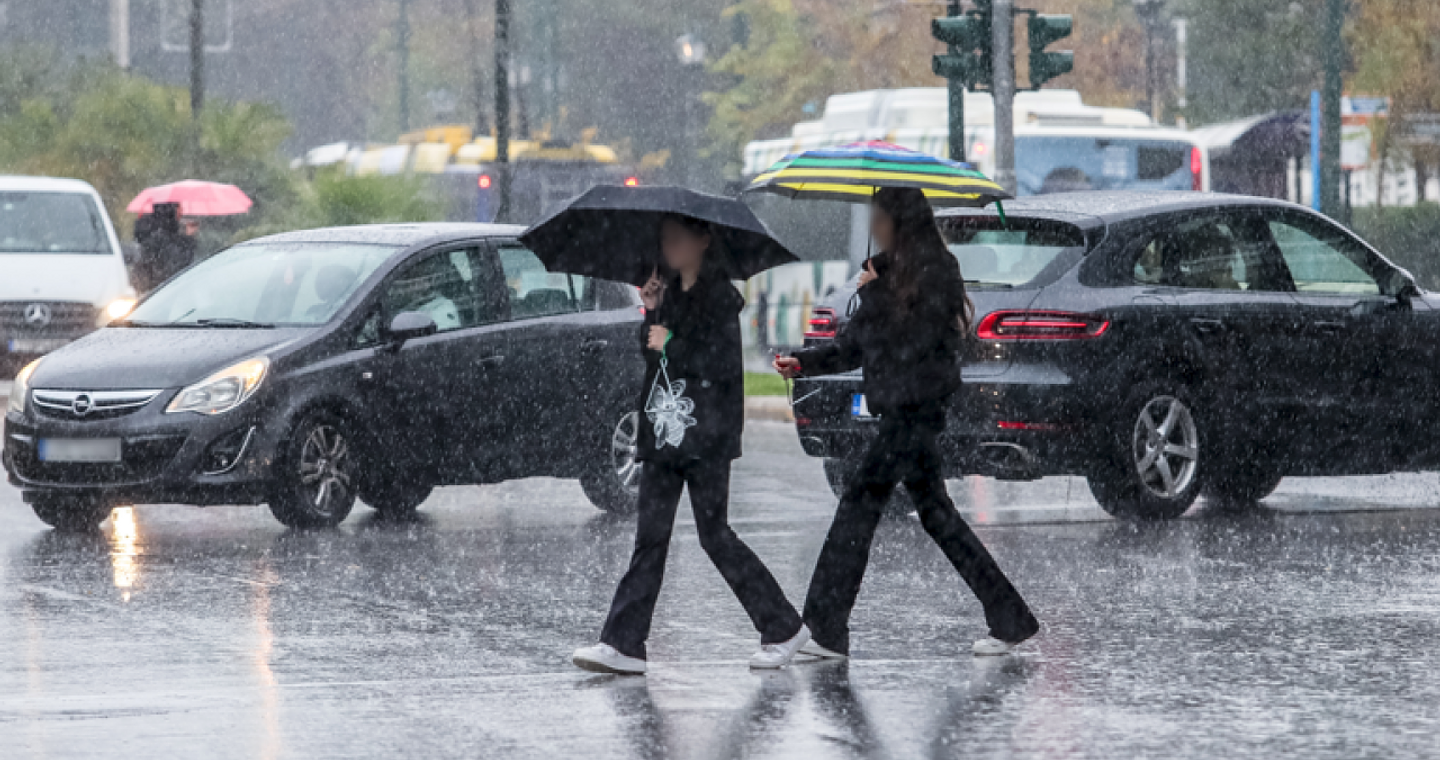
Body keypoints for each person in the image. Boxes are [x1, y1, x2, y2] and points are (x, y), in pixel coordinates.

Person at [774, 187, 1040, 658]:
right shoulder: (888, 271)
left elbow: (915, 343)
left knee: (857, 506)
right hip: (899, 411)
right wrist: (804, 362)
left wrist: (872, 291)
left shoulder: (938, 271)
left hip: (915, 412)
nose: (874, 227)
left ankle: (826, 628)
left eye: (880, 218)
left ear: (902, 221)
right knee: (937, 515)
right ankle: (1009, 616)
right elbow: (856, 346)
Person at [572, 215, 810, 675]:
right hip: (665, 433)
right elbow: (654, 358)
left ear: (704, 241)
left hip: (706, 436)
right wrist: (651, 311)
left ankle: (781, 626)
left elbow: (718, 367)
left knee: (714, 536)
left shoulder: (720, 299)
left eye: (678, 239)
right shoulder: (668, 293)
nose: (669, 246)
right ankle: (623, 644)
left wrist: (672, 343)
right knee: (650, 539)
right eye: (665, 239)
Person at [132, 202, 196, 293]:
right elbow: (182, 264)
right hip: (168, 290)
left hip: (151, 292)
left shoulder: (151, 235)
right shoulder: (168, 240)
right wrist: (189, 239)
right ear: (171, 211)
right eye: (179, 209)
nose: (181, 213)